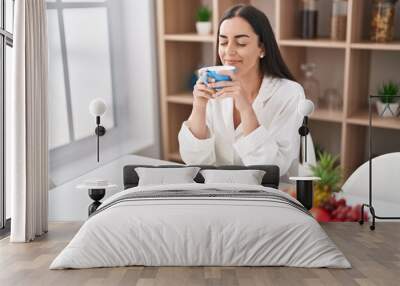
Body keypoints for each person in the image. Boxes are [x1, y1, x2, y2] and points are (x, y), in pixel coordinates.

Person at [178, 4, 305, 177]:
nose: (228, 51)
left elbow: (270, 171)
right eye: (223, 42)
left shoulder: (290, 93)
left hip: (268, 194)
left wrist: (245, 108)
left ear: (262, 48)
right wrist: (199, 107)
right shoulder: (213, 84)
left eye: (241, 43)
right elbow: (194, 162)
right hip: (219, 192)